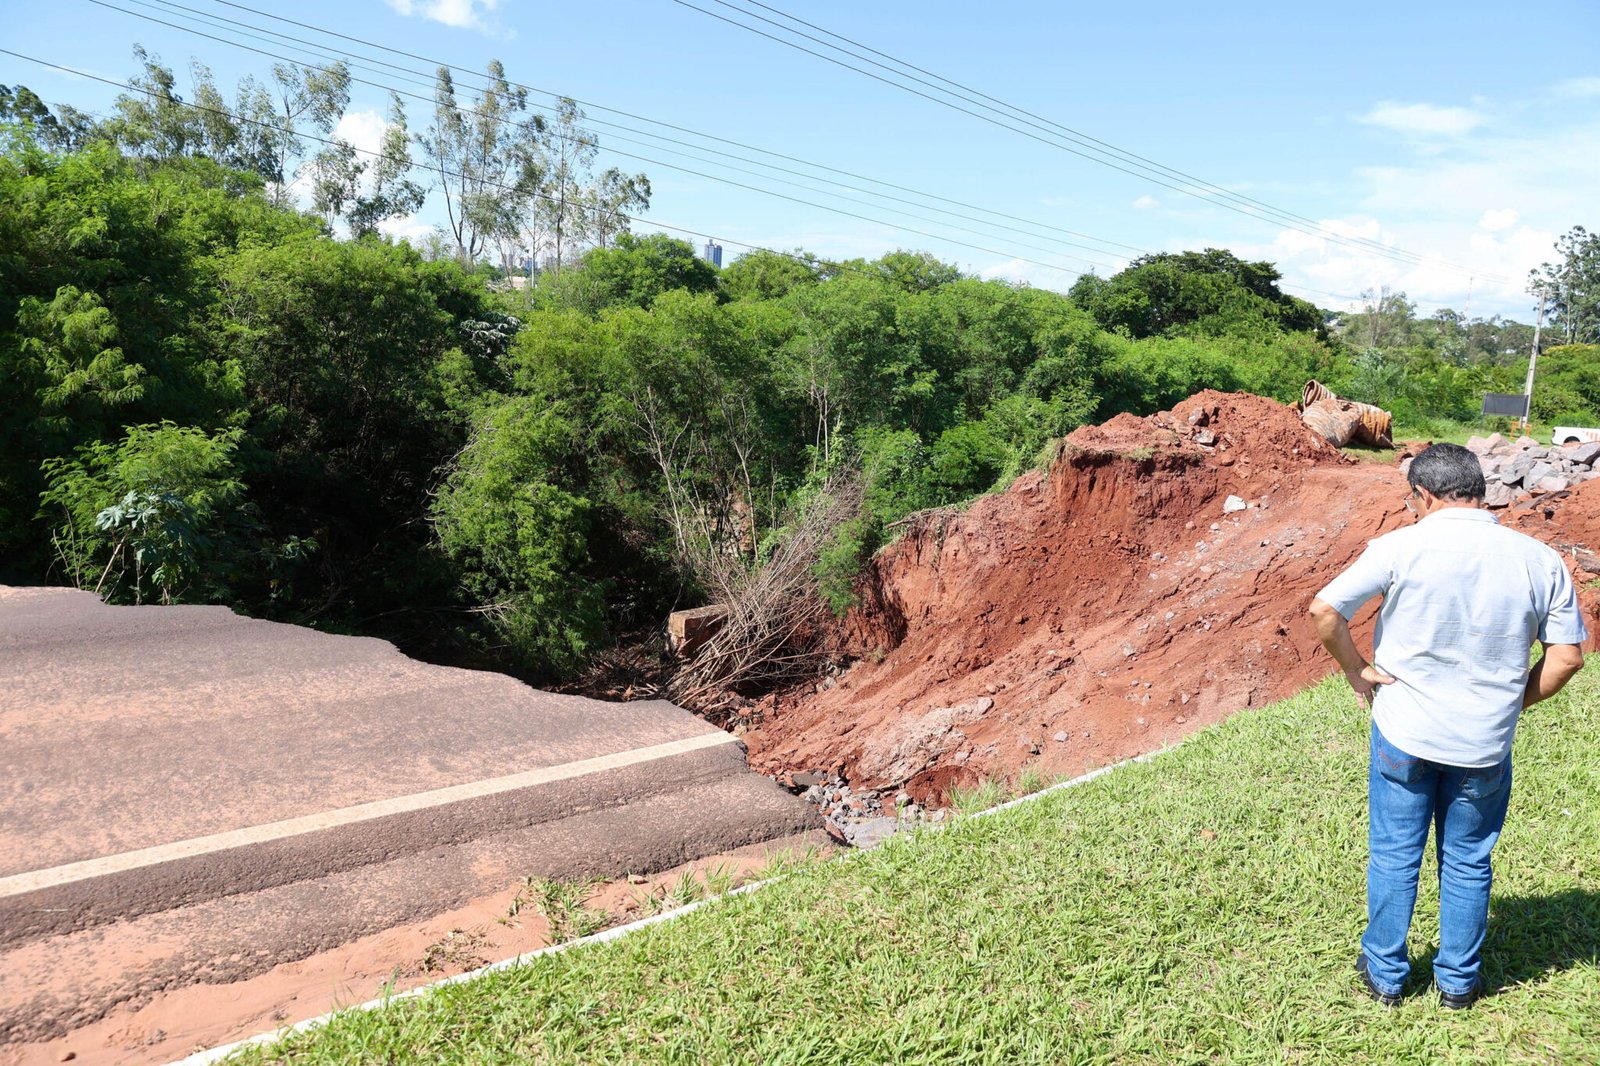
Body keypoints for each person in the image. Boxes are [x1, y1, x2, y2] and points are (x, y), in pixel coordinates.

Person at [1307, 442, 1586, 1009]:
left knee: (1393, 854)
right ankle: (1458, 984)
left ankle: (1385, 976)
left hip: (1404, 733)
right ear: (1479, 491)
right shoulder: (1539, 559)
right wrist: (1513, 703)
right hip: (1484, 745)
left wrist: (1357, 670)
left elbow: (1324, 611)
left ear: (1424, 495)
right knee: (1467, 860)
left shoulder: (1398, 547)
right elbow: (1567, 659)